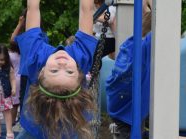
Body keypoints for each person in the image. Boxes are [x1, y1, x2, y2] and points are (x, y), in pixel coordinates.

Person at [14, 0, 97, 138]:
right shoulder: (82, 58)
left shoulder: (34, 59)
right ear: (80, 73)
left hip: (33, 130)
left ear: (40, 73)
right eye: (69, 72)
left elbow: (32, 8)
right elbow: (86, 9)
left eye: (54, 71)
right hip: (70, 129)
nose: (62, 65)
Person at [105, 1, 152, 138]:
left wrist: (145, 8)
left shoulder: (130, 43)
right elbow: (160, 21)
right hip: (128, 111)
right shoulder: (146, 48)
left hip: (117, 105)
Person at [9, 14, 26, 126]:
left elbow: (12, 39)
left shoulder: (11, 54)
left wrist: (19, 24)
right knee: (24, 104)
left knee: (14, 105)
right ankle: (22, 124)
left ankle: (12, 124)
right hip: (23, 78)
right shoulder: (26, 52)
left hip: (14, 80)